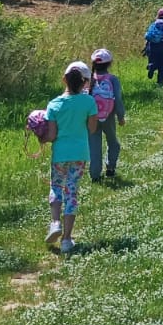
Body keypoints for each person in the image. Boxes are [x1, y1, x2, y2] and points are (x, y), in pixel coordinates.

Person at [46, 61, 99, 256]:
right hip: (80, 154)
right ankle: (67, 240)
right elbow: (92, 129)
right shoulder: (89, 102)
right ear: (84, 82)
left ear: (64, 80)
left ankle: (55, 223)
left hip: (60, 154)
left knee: (56, 187)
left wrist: (42, 137)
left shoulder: (54, 104)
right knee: (72, 192)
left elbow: (51, 136)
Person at [87, 49, 125, 181]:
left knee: (94, 146)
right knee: (113, 142)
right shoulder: (113, 79)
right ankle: (110, 167)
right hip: (108, 116)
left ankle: (95, 174)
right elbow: (118, 100)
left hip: (91, 118)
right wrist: (121, 116)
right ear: (110, 63)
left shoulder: (89, 79)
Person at [143, 7, 163, 83]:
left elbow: (148, 36)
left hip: (153, 46)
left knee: (153, 61)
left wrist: (146, 47)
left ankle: (152, 66)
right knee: (162, 66)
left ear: (158, 15)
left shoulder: (153, 25)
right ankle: (160, 82)